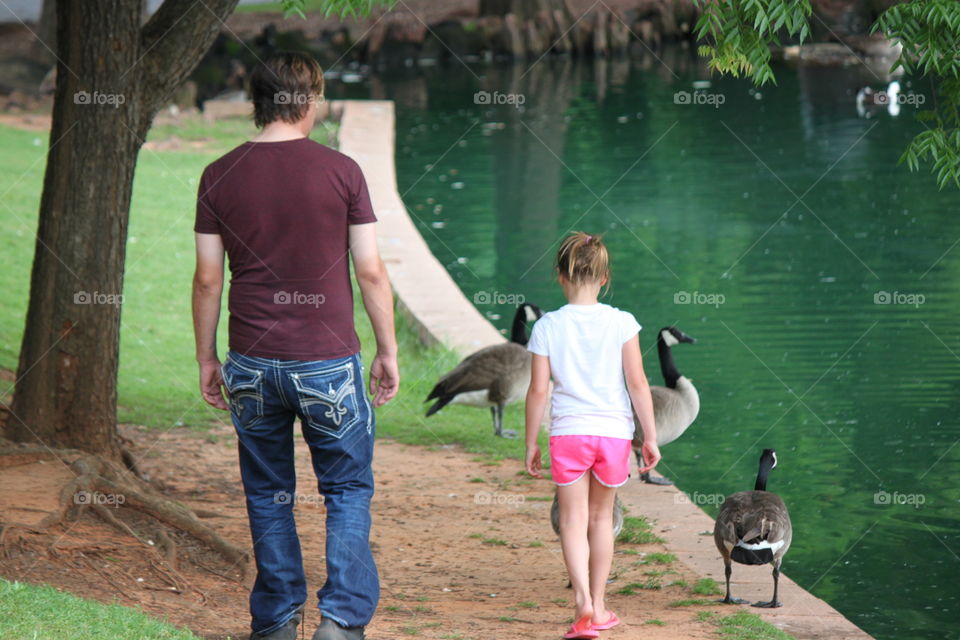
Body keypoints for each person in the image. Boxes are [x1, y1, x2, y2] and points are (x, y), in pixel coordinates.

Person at [192, 51, 399, 640]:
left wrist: (209, 358)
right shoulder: (342, 172)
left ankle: (279, 619)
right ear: (310, 99)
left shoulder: (218, 173)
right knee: (347, 487)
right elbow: (372, 272)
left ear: (258, 102)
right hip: (328, 362)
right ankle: (340, 620)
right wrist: (386, 351)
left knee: (267, 490)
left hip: (251, 363)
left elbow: (209, 278)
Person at [524, 231, 660, 639]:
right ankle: (599, 606)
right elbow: (637, 383)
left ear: (560, 276)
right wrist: (649, 436)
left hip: (568, 434)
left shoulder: (547, 326)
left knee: (572, 520)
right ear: (604, 278)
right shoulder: (622, 323)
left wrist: (530, 442)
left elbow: (537, 391)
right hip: (613, 435)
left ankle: (581, 601)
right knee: (602, 519)